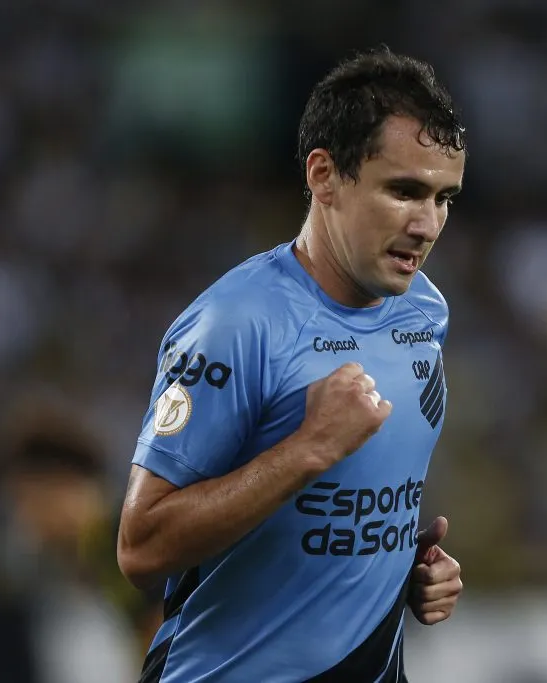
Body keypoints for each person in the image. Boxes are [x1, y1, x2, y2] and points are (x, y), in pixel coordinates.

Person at [118, 47, 467, 683]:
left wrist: (406, 568)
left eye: (445, 198)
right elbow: (141, 547)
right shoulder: (236, 325)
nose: (427, 224)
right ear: (325, 176)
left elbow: (342, 513)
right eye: (404, 191)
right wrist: (306, 449)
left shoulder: (424, 310)